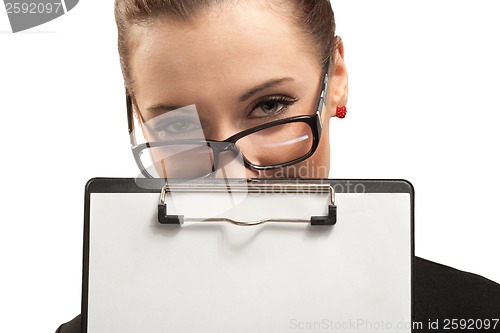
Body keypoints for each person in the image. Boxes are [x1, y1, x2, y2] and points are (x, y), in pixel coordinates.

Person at [56, 0, 500, 332]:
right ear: (138, 117)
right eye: (177, 129)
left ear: (337, 78)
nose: (234, 179)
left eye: (270, 106)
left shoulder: (479, 315)